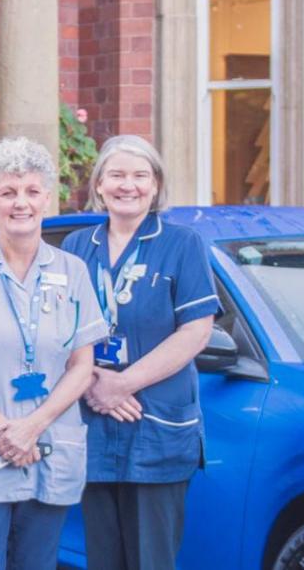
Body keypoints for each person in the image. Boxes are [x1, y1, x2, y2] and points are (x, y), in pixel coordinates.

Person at [0, 137, 109, 570]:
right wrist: (3, 428)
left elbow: (82, 364)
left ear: (47, 199)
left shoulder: (72, 271)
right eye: (9, 193)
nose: (21, 203)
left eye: (32, 192)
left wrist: (32, 426)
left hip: (49, 447)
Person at [61, 135, 220, 570]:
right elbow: (58, 329)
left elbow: (196, 332)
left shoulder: (182, 243)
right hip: (94, 420)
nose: (127, 185)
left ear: (155, 185)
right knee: (102, 559)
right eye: (116, 175)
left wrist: (124, 384)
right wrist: (96, 383)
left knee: (152, 560)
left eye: (139, 175)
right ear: (98, 185)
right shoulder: (77, 246)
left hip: (156, 425)